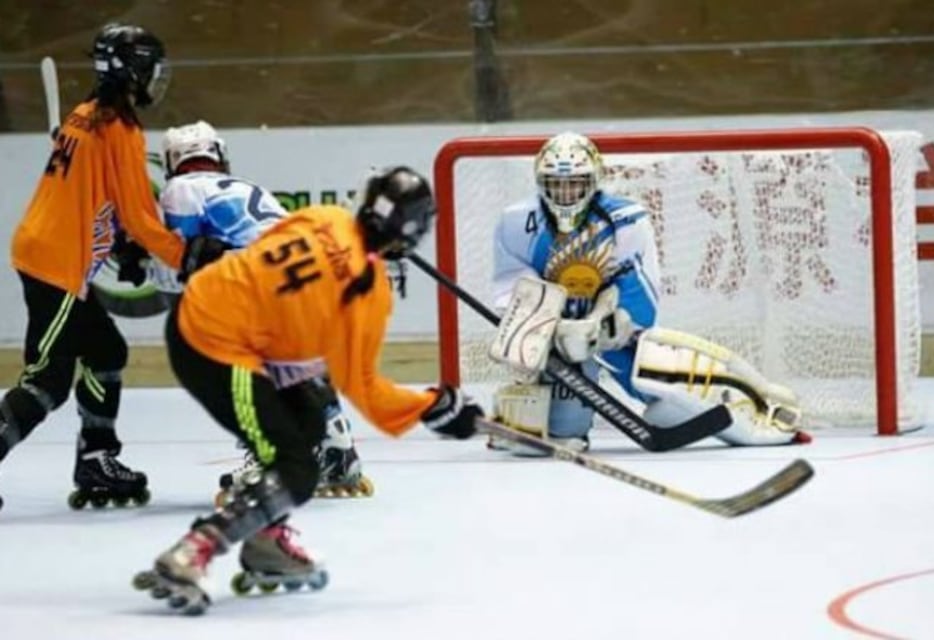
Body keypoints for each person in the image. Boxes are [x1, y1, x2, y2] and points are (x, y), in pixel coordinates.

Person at [133, 166, 483, 615]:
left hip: (218, 319)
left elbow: (266, 266)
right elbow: (368, 392)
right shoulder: (367, 292)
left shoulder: (325, 217)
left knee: (311, 423)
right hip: (212, 345)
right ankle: (194, 550)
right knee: (295, 469)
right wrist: (438, 406)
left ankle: (266, 541)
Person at [487, 131, 810, 455]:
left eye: (575, 183)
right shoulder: (517, 222)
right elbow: (512, 287)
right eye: (556, 184)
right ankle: (520, 417)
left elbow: (639, 284)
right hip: (556, 342)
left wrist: (609, 322)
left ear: (594, 181)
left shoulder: (624, 218)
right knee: (559, 433)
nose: (566, 193)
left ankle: (757, 403)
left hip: (611, 335)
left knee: (668, 390)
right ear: (540, 183)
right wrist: (550, 329)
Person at [0, 23, 194, 512]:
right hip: (56, 265)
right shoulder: (119, 130)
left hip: (49, 254)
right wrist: (187, 258)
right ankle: (92, 456)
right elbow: (140, 215)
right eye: (151, 69)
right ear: (133, 72)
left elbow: (95, 196)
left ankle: (96, 458)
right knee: (46, 381)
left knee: (106, 351)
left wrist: (122, 248)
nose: (156, 80)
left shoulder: (84, 116)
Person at [154, 120, 373, 500]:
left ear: (172, 161)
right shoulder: (250, 188)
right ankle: (338, 449)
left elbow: (177, 271)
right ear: (218, 155)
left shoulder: (180, 190)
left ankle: (269, 458)